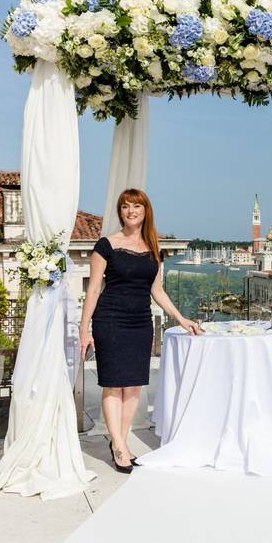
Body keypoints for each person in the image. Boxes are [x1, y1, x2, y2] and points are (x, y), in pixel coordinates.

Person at [79, 188, 201, 474]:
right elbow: (94, 289)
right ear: (120, 212)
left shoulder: (154, 247)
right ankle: (120, 446)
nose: (130, 211)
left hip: (140, 322)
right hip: (110, 319)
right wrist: (84, 329)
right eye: (125, 206)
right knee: (113, 384)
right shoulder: (106, 244)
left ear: (146, 210)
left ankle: (120, 442)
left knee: (133, 385)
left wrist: (180, 318)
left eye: (136, 206)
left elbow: (156, 290)